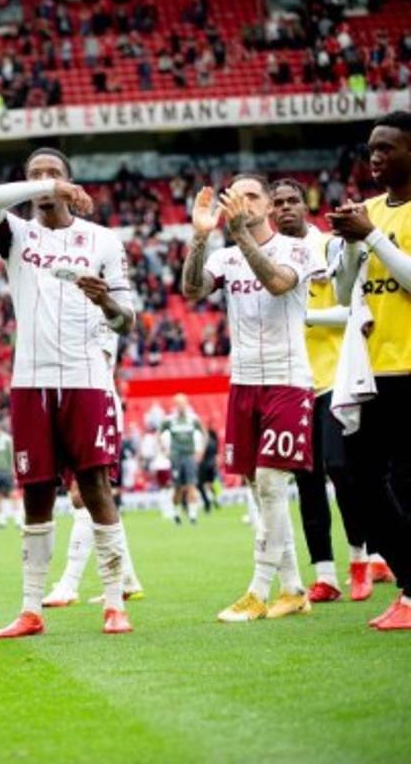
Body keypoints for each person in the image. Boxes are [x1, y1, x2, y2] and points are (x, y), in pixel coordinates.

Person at [0, 147, 137, 637]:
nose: (44, 183)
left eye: (54, 174)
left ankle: (114, 604)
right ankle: (31, 610)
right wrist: (46, 187)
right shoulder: (18, 235)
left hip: (86, 378)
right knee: (36, 494)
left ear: (72, 181)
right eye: (35, 176)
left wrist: (104, 299)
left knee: (95, 489)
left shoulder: (104, 241)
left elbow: (126, 320)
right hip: (31, 381)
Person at [181, 175, 322, 623]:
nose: (245, 202)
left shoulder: (297, 247)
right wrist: (200, 236)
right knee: (260, 492)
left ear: (266, 205)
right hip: (243, 382)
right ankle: (293, 588)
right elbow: (191, 288)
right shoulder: (225, 255)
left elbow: (279, 284)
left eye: (253, 195)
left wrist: (241, 234)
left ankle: (258, 591)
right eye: (237, 195)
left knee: (271, 482)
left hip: (287, 378)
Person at [271, 178, 373, 603]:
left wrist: (306, 317)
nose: (285, 208)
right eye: (277, 203)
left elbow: (353, 309)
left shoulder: (330, 246)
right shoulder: (267, 259)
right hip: (292, 380)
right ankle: (326, 574)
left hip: (335, 376)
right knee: (306, 480)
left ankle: (360, 559)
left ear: (306, 204)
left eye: (292, 200)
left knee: (340, 467)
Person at [329, 110, 411, 630]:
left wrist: (374, 237)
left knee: (406, 484)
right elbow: (343, 297)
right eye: (371, 148)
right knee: (358, 486)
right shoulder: (371, 211)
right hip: (371, 372)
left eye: (387, 147)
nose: (375, 157)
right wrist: (352, 246)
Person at [44, 314, 145, 608]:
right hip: (76, 402)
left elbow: (96, 359)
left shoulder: (100, 309)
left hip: (95, 402)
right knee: (97, 497)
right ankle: (127, 580)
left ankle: (69, 584)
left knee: (83, 495)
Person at [159, 394, 205, 525]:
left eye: (183, 404)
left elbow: (204, 433)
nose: (181, 407)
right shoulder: (170, 420)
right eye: (178, 404)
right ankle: (176, 513)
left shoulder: (193, 419)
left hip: (189, 455)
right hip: (176, 457)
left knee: (191, 485)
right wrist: (163, 449)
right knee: (177, 487)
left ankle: (192, 516)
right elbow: (159, 433)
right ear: (175, 405)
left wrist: (201, 450)